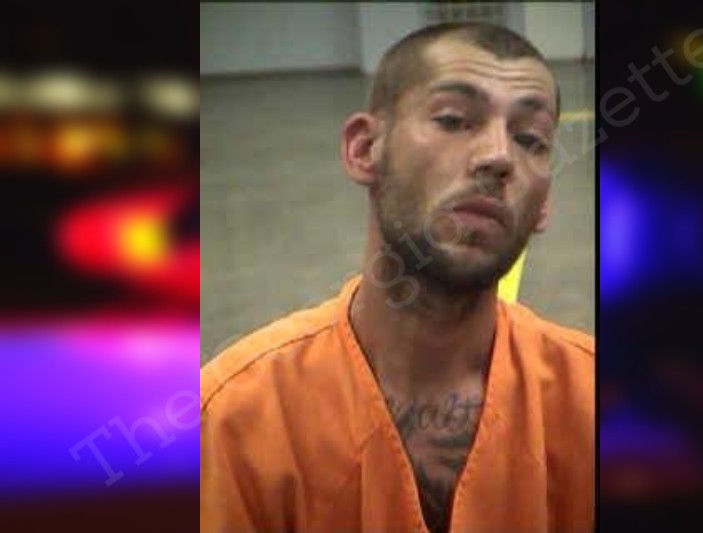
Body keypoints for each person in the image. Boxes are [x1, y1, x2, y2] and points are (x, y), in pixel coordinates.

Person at [201, 22, 594, 533]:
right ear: (364, 149)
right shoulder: (235, 421)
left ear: (543, 203)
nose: (499, 156)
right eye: (454, 120)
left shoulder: (594, 405)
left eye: (530, 139)